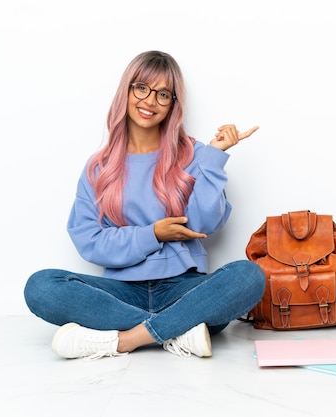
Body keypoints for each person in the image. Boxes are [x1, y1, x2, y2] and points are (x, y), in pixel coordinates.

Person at [24, 50, 266, 360]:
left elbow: (203, 224)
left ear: (173, 104)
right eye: (142, 88)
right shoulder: (99, 168)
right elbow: (89, 241)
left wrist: (215, 157)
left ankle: (125, 340)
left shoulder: (194, 154)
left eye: (163, 94)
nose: (150, 101)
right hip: (120, 293)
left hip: (183, 289)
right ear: (126, 90)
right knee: (41, 286)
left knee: (248, 276)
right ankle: (178, 331)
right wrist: (153, 234)